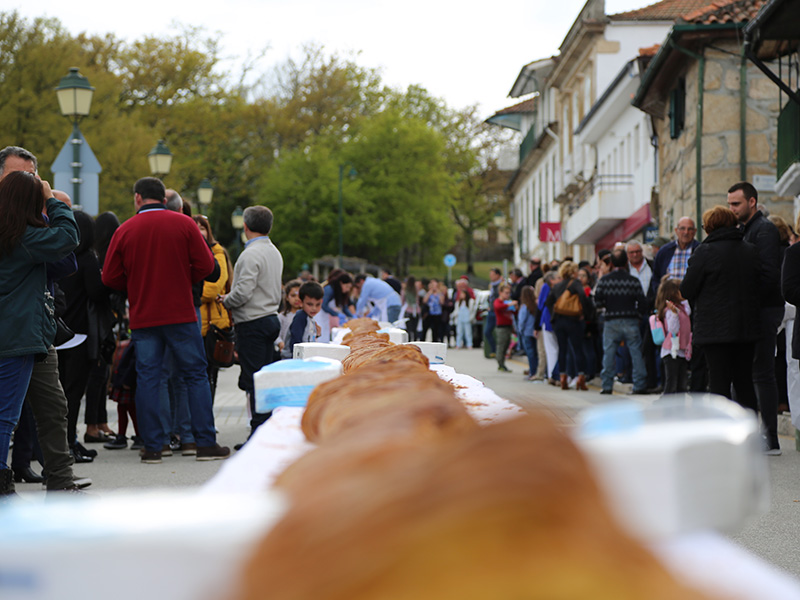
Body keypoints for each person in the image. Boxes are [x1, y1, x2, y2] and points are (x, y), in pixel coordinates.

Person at [103, 177, 229, 464]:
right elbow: (207, 266)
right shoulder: (184, 224)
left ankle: (153, 446)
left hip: (144, 315)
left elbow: (109, 277)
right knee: (195, 374)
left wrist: (135, 284)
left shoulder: (125, 230)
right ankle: (204, 442)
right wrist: (186, 279)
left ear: (138, 198)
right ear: (163, 197)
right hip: (181, 313)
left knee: (149, 378)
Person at [0, 147, 88, 495]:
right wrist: (52, 204)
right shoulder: (20, 231)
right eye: (20, 177)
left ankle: (60, 479)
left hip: (36, 327)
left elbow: (66, 264)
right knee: (7, 414)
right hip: (19, 329)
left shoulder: (27, 223)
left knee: (52, 406)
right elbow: (69, 242)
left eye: (32, 177)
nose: (30, 184)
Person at [681, 206, 761, 427]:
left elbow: (687, 289)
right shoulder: (750, 250)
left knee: (719, 384)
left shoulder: (704, 253)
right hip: (746, 329)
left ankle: (722, 436)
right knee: (745, 383)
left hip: (714, 330)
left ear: (709, 227)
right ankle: (751, 435)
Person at [727, 182, 784, 455]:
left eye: (736, 204)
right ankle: (750, 435)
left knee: (762, 373)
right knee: (746, 374)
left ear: (752, 202)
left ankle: (770, 438)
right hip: (749, 311)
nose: (731, 209)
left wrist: (744, 301)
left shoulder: (765, 230)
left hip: (763, 311)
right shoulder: (744, 230)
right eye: (729, 204)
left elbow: (769, 276)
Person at [221, 205, 283, 438]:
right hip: (270, 318)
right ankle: (265, 426)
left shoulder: (250, 254)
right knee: (264, 378)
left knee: (254, 379)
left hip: (252, 321)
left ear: (245, 227)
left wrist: (227, 300)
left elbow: (244, 291)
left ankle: (258, 432)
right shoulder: (274, 251)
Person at [594, 249, 648, 395]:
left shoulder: (605, 281)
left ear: (611, 263)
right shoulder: (633, 281)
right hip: (630, 320)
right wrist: (637, 316)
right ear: (626, 262)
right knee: (636, 353)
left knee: (609, 354)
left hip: (611, 321)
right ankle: (639, 385)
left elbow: (597, 302)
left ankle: (607, 386)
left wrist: (608, 305)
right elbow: (643, 303)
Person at [195, 215, 232, 403]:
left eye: (203, 227)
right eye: (196, 227)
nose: (199, 231)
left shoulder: (218, 253)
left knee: (210, 374)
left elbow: (213, 288)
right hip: (194, 323)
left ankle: (206, 417)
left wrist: (190, 293)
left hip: (212, 325)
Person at [545, 261, 591, 391]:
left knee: (562, 349)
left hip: (559, 321)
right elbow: (582, 296)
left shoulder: (557, 286)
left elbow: (548, 302)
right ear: (573, 272)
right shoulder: (575, 283)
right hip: (573, 320)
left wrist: (554, 314)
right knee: (578, 349)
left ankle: (562, 377)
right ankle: (581, 378)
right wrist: (584, 314)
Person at [654, 278, 692, 394]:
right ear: (673, 294)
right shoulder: (671, 311)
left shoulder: (682, 308)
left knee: (682, 383)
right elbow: (673, 329)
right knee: (672, 383)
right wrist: (674, 314)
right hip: (671, 351)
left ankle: (679, 407)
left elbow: (689, 309)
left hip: (681, 350)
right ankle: (667, 405)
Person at [286, 281, 324, 357]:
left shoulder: (310, 318)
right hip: (293, 360)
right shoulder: (300, 317)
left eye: (318, 304)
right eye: (310, 304)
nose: (314, 308)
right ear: (301, 302)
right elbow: (296, 342)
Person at [316, 269, 353, 341]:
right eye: (347, 286)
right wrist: (336, 314)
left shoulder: (340, 293)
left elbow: (344, 307)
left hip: (325, 317)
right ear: (341, 283)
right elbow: (323, 305)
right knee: (321, 336)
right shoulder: (329, 289)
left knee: (325, 336)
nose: (348, 289)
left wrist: (351, 316)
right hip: (319, 315)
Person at [493, 283, 517, 372]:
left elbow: (514, 312)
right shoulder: (498, 301)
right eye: (506, 293)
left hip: (509, 326)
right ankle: (500, 364)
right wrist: (510, 304)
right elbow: (498, 307)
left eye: (509, 293)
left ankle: (502, 363)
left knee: (506, 345)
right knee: (501, 346)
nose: (508, 295)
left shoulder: (508, 302)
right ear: (501, 293)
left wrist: (515, 307)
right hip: (501, 327)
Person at [279, 280, 304, 358]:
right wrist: (280, 343)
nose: (297, 299)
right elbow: (276, 335)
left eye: (299, 296)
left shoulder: (307, 316)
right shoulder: (282, 316)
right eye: (293, 296)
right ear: (287, 297)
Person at [518, 285, 538, 381]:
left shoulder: (524, 306)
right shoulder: (534, 305)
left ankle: (532, 372)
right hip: (534, 332)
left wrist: (520, 330)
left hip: (526, 332)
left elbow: (522, 321)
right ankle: (536, 371)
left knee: (530, 353)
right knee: (536, 353)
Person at [483, 268, 502, 358]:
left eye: (492, 274)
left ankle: (499, 351)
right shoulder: (491, 285)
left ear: (497, 275)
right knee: (487, 331)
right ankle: (493, 349)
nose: (491, 276)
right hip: (491, 311)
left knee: (499, 332)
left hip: (498, 311)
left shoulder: (501, 285)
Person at [453, 278, 476, 349]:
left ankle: (469, 344)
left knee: (468, 332)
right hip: (460, 318)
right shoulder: (458, 303)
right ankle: (458, 344)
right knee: (459, 332)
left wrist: (471, 318)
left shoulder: (470, 302)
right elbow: (456, 310)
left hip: (467, 318)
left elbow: (473, 310)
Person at [402, 276, 421, 341]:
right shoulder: (416, 289)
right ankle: (415, 341)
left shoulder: (405, 290)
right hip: (416, 310)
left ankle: (409, 341)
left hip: (408, 310)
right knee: (415, 329)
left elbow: (402, 300)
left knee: (408, 329)